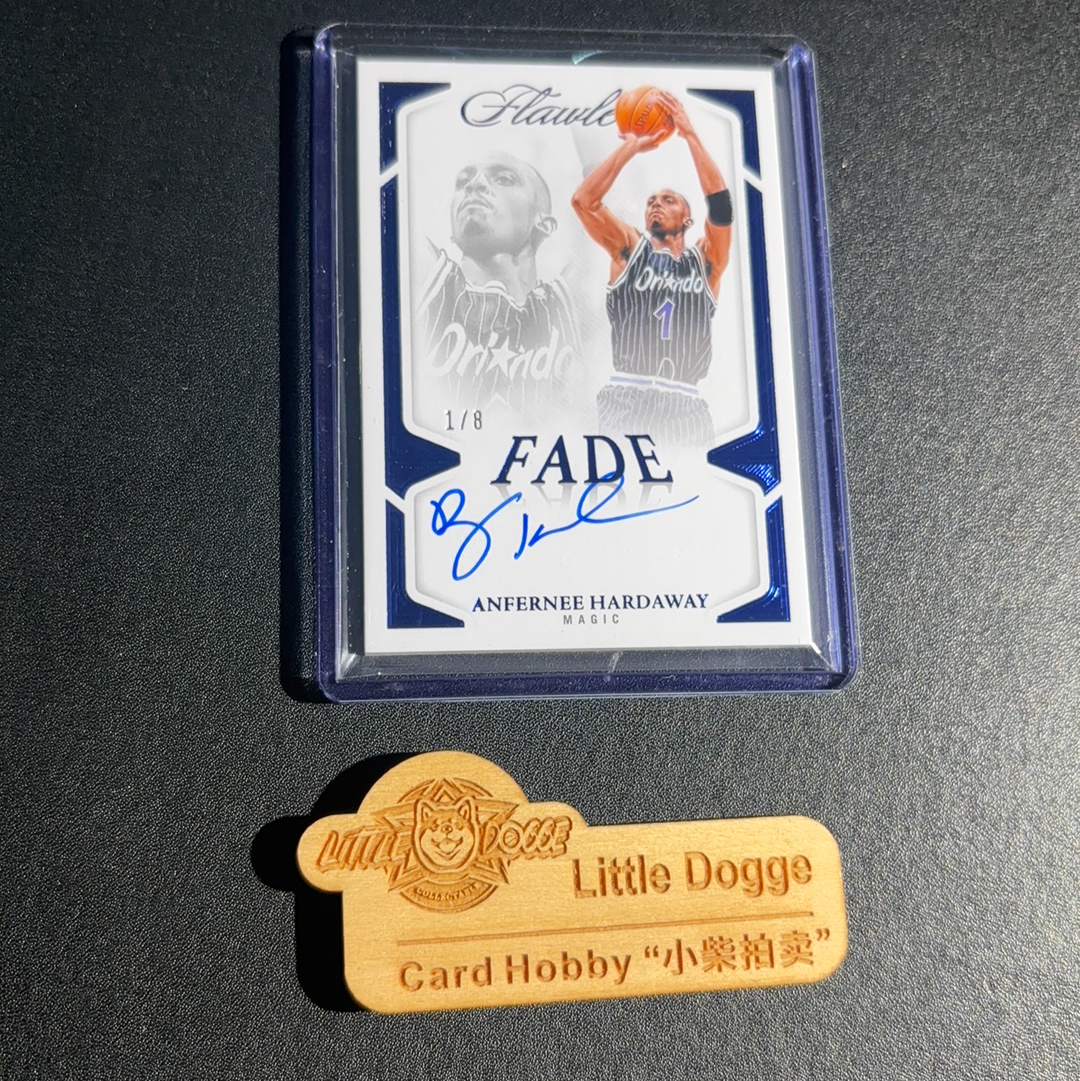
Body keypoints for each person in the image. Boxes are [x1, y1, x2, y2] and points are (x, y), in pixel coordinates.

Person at [571, 91, 733, 447]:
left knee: (692, 482)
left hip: (686, 403)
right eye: (651, 202)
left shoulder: (705, 262)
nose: (656, 204)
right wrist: (631, 146)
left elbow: (722, 208)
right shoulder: (629, 248)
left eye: (668, 200)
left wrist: (690, 135)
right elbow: (583, 201)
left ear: (687, 219)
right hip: (629, 397)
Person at [417, 152, 579, 422]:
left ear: (544, 223)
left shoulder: (562, 304)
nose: (474, 185)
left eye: (504, 179)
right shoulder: (429, 280)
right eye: (462, 182)